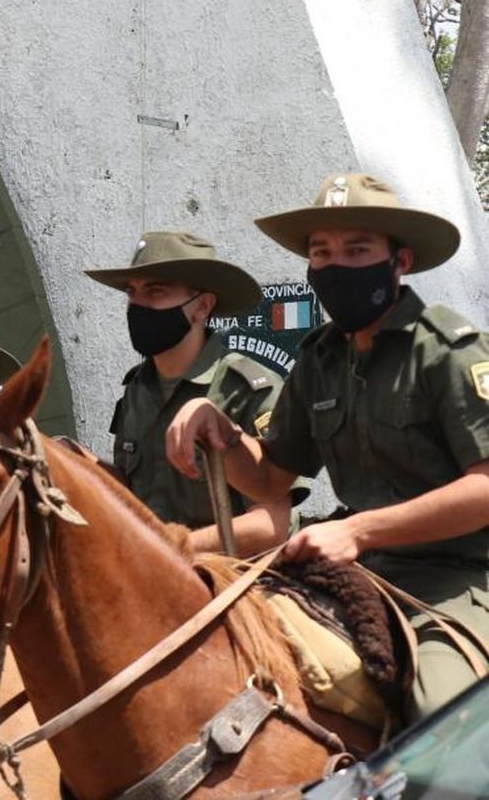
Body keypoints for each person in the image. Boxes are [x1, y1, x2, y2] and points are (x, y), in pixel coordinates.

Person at [166, 173, 489, 721]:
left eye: (358, 249)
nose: (336, 264)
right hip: (361, 570)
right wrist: (219, 426)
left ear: (400, 261)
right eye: (322, 252)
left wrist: (359, 529)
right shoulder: (320, 358)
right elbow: (270, 477)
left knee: (441, 719)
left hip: (460, 579)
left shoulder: (446, 350)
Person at [84, 231, 299, 555]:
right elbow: (136, 494)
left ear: (202, 306)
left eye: (155, 291)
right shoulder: (137, 390)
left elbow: (270, 526)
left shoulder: (246, 390)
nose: (138, 305)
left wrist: (170, 549)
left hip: (238, 585)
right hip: (158, 581)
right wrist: (77, 465)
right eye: (132, 292)